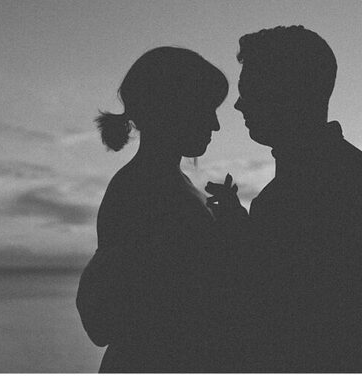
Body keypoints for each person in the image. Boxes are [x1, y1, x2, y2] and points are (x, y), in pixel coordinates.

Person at [213, 25, 362, 372]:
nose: (238, 104)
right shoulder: (348, 177)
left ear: (286, 92)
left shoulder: (330, 187)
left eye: (249, 89)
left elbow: (281, 318)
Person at [75, 47, 250, 373]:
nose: (215, 125)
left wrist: (229, 226)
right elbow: (179, 302)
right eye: (206, 109)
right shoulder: (143, 190)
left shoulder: (162, 184)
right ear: (172, 110)